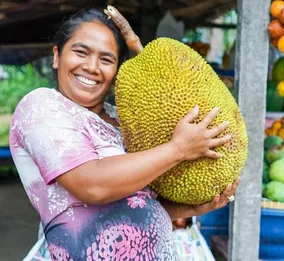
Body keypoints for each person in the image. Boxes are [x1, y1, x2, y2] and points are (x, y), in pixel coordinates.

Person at [10, 7, 240, 260]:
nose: (92, 67)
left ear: (117, 70)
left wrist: (187, 208)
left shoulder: (123, 118)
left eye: (106, 60)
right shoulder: (43, 106)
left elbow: (135, 203)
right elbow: (93, 186)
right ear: (57, 55)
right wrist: (177, 149)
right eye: (81, 52)